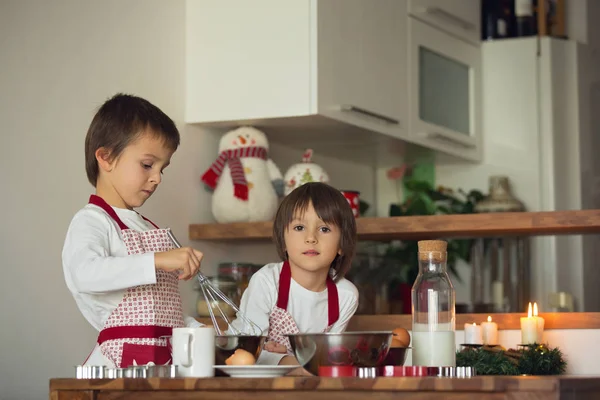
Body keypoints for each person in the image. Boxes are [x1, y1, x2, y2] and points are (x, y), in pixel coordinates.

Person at [62, 93, 204, 368]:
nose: (157, 178)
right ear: (106, 157)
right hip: (121, 364)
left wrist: (198, 331)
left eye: (163, 168)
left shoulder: (146, 227)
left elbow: (161, 314)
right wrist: (158, 260)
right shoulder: (92, 221)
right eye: (148, 165)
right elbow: (84, 274)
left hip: (166, 361)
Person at [232, 182, 359, 365]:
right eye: (299, 228)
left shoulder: (345, 296)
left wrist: (292, 359)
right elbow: (249, 352)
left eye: (324, 229)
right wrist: (292, 361)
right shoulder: (266, 282)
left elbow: (328, 357)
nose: (311, 238)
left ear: (341, 244)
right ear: (283, 240)